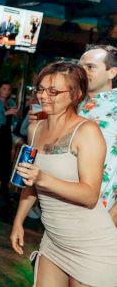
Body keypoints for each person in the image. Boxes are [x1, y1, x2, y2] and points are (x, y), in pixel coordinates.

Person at [10, 62, 117, 286]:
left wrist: (43, 178)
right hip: (53, 239)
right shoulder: (35, 129)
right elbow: (31, 183)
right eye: (40, 89)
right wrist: (18, 221)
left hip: (90, 245)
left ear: (76, 94)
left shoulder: (87, 131)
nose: (43, 97)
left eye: (53, 91)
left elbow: (89, 196)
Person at [79, 45, 117, 224]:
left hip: (102, 208)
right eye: (81, 66)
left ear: (112, 73)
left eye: (90, 67)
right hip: (64, 202)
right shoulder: (72, 101)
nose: (82, 72)